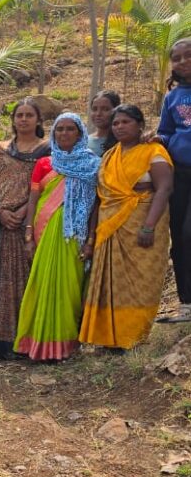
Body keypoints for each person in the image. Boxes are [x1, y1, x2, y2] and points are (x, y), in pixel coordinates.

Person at [80, 105, 174, 350]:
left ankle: (133, 336)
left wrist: (149, 226)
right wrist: (91, 237)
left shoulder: (154, 151)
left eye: (126, 122)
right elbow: (101, 196)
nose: (119, 127)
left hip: (143, 224)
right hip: (110, 226)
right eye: (116, 123)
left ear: (140, 125)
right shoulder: (110, 156)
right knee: (112, 283)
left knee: (141, 282)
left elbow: (164, 188)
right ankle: (110, 338)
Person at [15, 113, 100, 361]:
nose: (64, 133)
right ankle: (38, 346)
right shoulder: (44, 164)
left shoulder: (92, 164)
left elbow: (96, 205)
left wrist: (91, 240)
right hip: (45, 231)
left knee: (70, 288)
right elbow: (33, 202)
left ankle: (65, 346)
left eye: (69, 129)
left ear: (80, 133)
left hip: (75, 234)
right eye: (59, 129)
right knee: (42, 286)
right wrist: (28, 235)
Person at [0, 98, 51, 359]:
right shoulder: (2, 150)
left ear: (38, 121)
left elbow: (46, 186)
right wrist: (1, 211)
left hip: (30, 222)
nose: (23, 119)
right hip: (1, 223)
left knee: (27, 279)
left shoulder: (47, 151)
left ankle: (26, 341)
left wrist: (23, 212)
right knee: (0, 281)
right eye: (19, 115)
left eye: (29, 115)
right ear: (13, 120)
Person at [157, 37, 191, 323]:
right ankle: (186, 303)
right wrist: (158, 139)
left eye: (187, 56)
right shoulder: (173, 97)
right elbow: (166, 133)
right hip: (179, 173)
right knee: (178, 236)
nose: (181, 62)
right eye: (176, 58)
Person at [88, 90, 121, 156]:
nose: (98, 114)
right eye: (94, 109)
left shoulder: (124, 141)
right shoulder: (83, 141)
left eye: (105, 109)